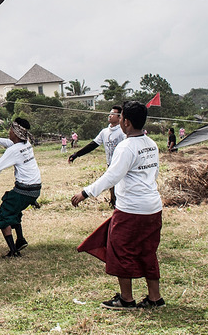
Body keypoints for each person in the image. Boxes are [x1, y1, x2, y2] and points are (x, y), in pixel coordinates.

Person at [71, 101, 164, 310]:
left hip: (131, 209)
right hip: (153, 207)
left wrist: (85, 192)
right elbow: (154, 173)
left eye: (121, 118)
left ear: (127, 123)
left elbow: (111, 176)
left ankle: (126, 299)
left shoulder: (126, 147)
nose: (119, 121)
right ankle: (155, 298)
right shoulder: (151, 143)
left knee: (120, 249)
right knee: (148, 250)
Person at [0, 118, 41, 258]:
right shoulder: (26, 144)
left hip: (24, 189)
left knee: (4, 214)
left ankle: (13, 251)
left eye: (11, 129)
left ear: (16, 132)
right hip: (35, 189)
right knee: (15, 209)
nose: (9, 132)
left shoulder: (14, 150)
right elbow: (8, 143)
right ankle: (20, 240)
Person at [68, 105, 126, 208]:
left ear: (119, 117)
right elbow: (93, 145)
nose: (110, 115)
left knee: (121, 187)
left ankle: (122, 205)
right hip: (111, 164)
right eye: (110, 113)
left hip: (122, 164)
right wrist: (76, 154)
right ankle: (114, 205)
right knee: (112, 186)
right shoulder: (105, 132)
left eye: (113, 114)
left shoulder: (122, 132)